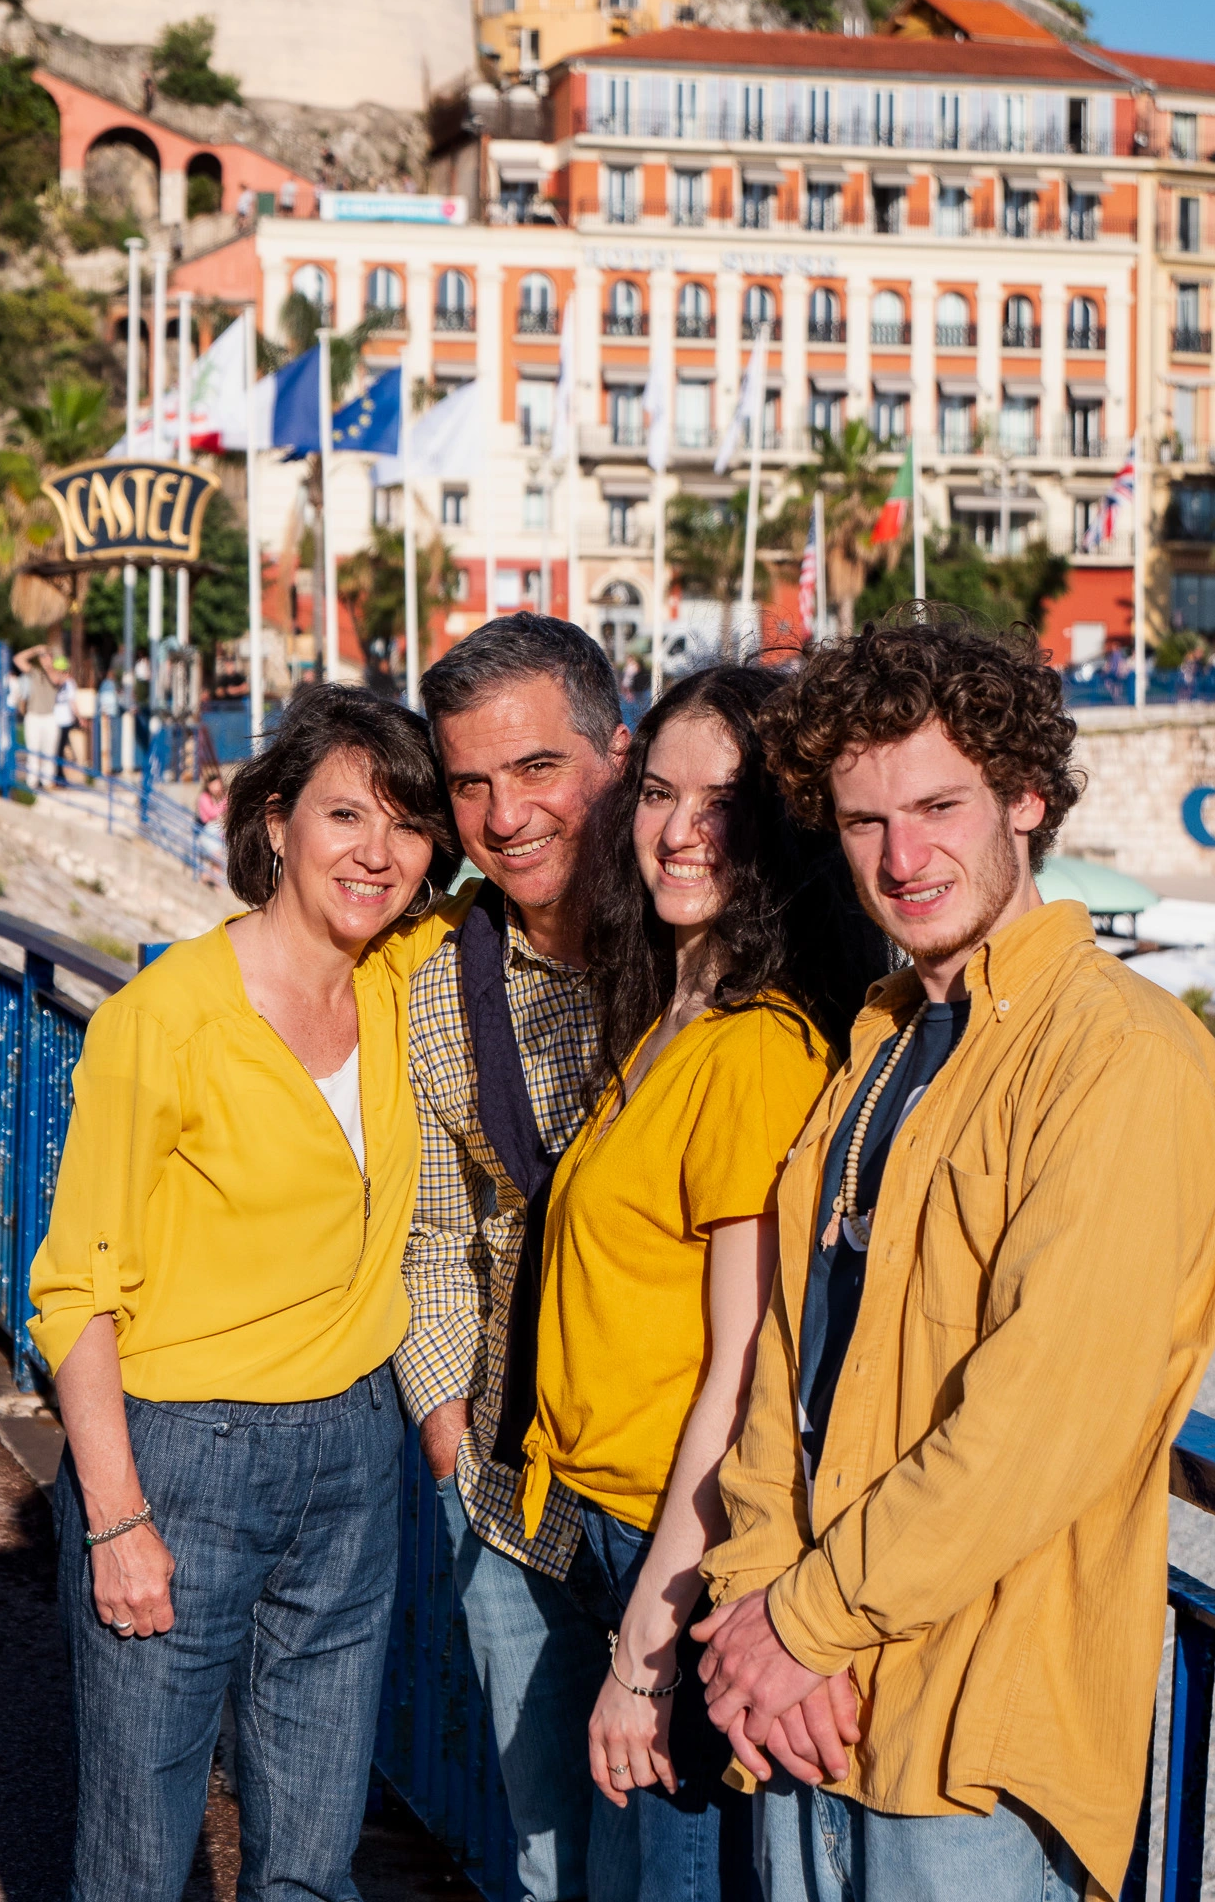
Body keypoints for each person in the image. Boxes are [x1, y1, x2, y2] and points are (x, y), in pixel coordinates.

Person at [693, 619, 1215, 1902]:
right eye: (866, 820)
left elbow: (1040, 1417)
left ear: (1026, 796)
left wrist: (796, 1624)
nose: (904, 856)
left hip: (968, 1740)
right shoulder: (878, 1037)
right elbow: (785, 1355)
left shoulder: (1124, 1055)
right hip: (811, 1711)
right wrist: (759, 1593)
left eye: (940, 806)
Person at [30, 685, 467, 1902]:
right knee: (139, 1844)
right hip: (182, 1453)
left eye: (408, 823)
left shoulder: (400, 976)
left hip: (354, 1451)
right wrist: (116, 1518)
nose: (376, 852)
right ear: (273, 821)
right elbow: (75, 1289)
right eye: (343, 814)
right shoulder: (161, 1021)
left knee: (316, 1853)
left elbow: (545, 873)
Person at [520, 666, 885, 1901]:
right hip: (594, 1518)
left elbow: (741, 1371)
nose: (681, 830)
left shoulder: (757, 1049)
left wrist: (650, 1645)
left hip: (668, 1550)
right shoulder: (672, 1010)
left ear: (781, 827)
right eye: (659, 792)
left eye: (722, 803)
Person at [399, 613, 637, 1902]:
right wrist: (445, 1424)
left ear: (618, 753)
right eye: (473, 782)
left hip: (681, 1503)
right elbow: (438, 1231)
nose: (506, 813)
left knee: (679, 1861)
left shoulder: (705, 955)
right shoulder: (435, 978)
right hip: (506, 1488)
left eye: (539, 766)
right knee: (546, 1860)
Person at [14, 645, 60, 789]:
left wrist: (49, 665)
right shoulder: (34, 672)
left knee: (49, 752)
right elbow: (17, 659)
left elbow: (56, 680)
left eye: (47, 656)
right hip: (33, 716)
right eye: (42, 657)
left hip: (50, 717)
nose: (44, 659)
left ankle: (48, 782)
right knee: (33, 751)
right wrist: (35, 650)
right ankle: (32, 782)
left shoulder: (56, 672)